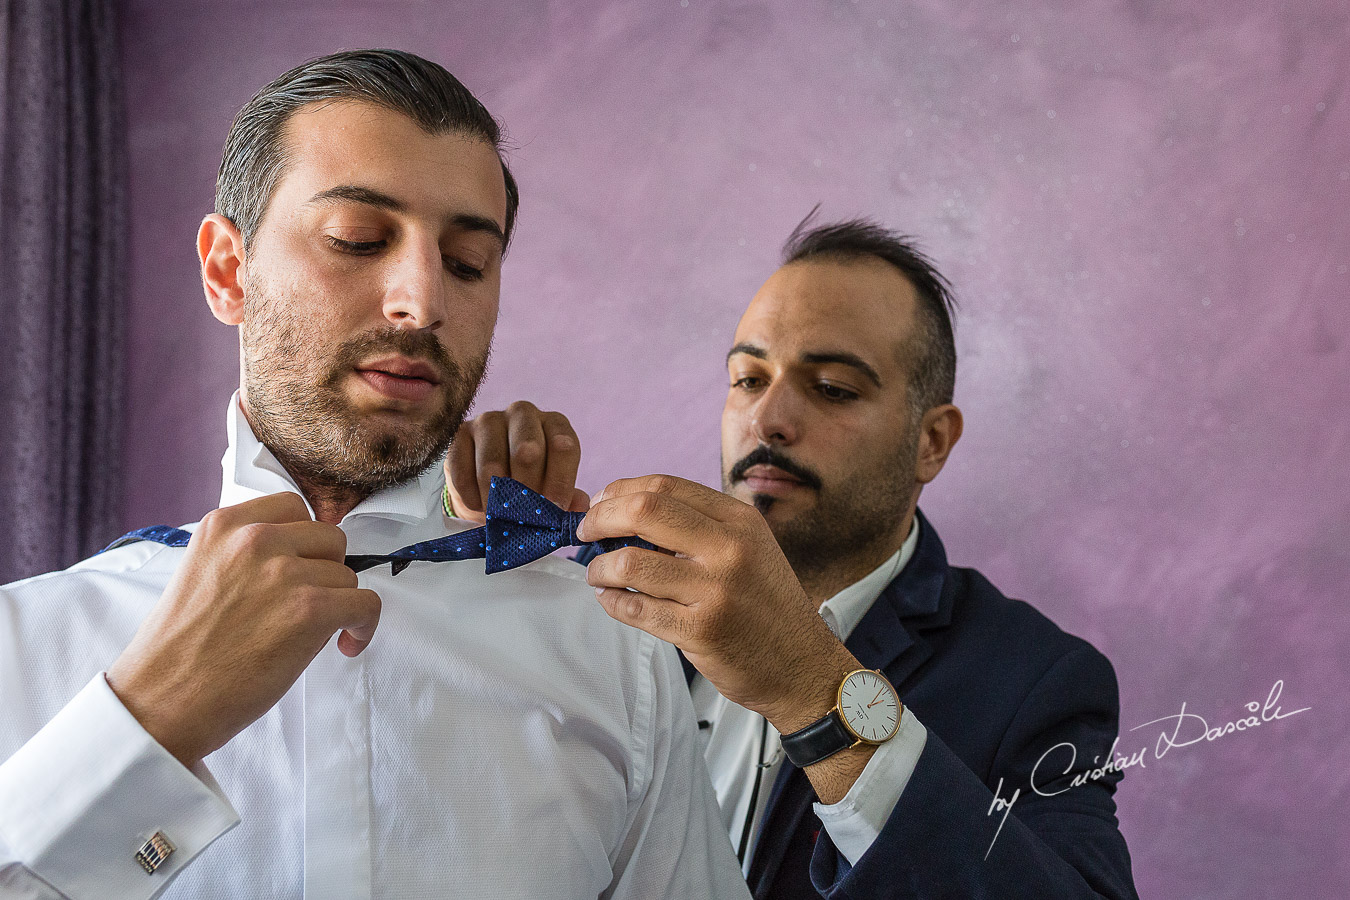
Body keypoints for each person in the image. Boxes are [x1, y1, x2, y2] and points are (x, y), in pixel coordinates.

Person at [0, 50, 749, 900]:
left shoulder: (610, 652)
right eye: (358, 240)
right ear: (226, 270)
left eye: (468, 262)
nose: (422, 300)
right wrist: (148, 724)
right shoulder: (23, 647)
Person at [444, 219, 1140, 898]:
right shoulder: (606, 589)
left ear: (933, 440)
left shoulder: (1037, 682)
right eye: (748, 379)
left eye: (833, 388)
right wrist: (462, 525)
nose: (768, 419)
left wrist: (813, 691)